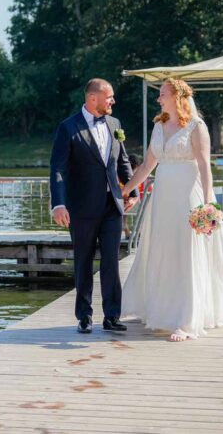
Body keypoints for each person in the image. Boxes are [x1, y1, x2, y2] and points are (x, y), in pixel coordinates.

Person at [120, 77, 223, 342]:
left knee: (187, 253)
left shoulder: (197, 127)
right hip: (163, 198)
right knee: (164, 251)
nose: (159, 98)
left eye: (163, 94)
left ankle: (186, 320)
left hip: (188, 195)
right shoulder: (159, 126)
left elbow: (205, 166)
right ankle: (161, 310)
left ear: (177, 97)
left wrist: (209, 203)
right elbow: (147, 165)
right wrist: (125, 189)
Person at [50, 78, 139, 334]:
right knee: (84, 262)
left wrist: (131, 191)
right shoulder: (68, 127)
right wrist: (58, 204)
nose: (113, 101)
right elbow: (58, 168)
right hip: (81, 208)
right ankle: (84, 316)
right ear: (93, 98)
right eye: (109, 96)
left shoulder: (114, 124)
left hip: (112, 206)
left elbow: (121, 160)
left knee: (111, 261)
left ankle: (112, 316)